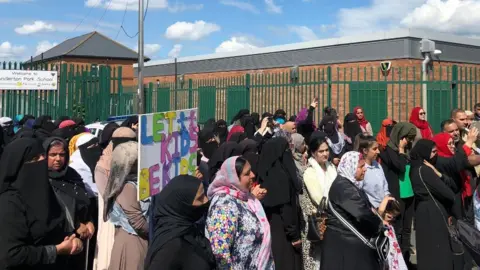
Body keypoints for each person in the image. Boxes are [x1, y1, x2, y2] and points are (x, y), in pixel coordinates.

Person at [0, 138, 83, 269]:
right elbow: (10, 255)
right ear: (18, 165)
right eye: (34, 159)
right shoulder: (9, 202)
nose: (41, 161)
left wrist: (71, 239)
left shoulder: (45, 193)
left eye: (42, 156)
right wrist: (56, 250)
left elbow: (57, 225)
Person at [321, 151, 392, 270]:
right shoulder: (343, 187)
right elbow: (361, 213)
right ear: (350, 167)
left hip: (347, 244)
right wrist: (379, 224)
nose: (364, 169)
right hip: (345, 246)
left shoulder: (348, 184)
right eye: (360, 166)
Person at [206, 156, 274, 269]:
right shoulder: (224, 205)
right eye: (247, 174)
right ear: (234, 179)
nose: (253, 175)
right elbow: (220, 251)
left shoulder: (245, 197)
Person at [43, 137, 95, 270]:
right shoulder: (41, 179)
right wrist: (75, 225)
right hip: (57, 241)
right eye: (53, 155)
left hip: (80, 239)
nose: (58, 159)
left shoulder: (71, 174)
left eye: (62, 154)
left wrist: (88, 220)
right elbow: (50, 211)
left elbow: (83, 201)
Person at [145, 175, 215, 270]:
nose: (206, 200)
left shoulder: (189, 231)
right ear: (182, 205)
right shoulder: (172, 245)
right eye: (200, 198)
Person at [409, 139, 457, 270]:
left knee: (426, 249)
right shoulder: (425, 170)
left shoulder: (414, 168)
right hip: (433, 212)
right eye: (433, 152)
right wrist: (437, 174)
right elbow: (448, 194)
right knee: (438, 251)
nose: (435, 155)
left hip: (422, 211)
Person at [94, 127, 137, 270]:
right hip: (114, 215)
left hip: (134, 215)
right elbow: (107, 192)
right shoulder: (103, 164)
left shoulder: (137, 157)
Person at [258, 137, 303, 270]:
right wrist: (294, 236)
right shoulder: (282, 178)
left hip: (270, 230)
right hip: (285, 235)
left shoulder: (264, 174)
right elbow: (286, 209)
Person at [103, 141, 149, 270]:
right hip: (133, 243)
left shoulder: (137, 182)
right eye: (134, 163)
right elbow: (139, 224)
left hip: (136, 240)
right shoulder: (127, 187)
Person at [378, 122, 416, 265]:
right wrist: (400, 150)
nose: (408, 141)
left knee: (407, 230)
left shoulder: (408, 150)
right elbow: (400, 167)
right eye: (406, 138)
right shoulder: (388, 150)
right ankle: (397, 262)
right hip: (397, 193)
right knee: (397, 229)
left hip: (409, 194)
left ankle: (406, 260)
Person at [302, 133, 337, 269]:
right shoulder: (310, 172)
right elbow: (319, 198)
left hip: (333, 220)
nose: (325, 154)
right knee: (317, 261)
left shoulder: (332, 168)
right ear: (313, 153)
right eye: (321, 151)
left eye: (326, 150)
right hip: (317, 223)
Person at [355, 134, 390, 208]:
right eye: (374, 149)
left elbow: (385, 187)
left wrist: (388, 200)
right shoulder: (360, 170)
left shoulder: (377, 165)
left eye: (378, 148)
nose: (378, 151)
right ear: (365, 151)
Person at [382, 200, 408, 270]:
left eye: (394, 217)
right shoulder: (381, 226)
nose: (392, 219)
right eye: (389, 217)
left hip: (393, 255)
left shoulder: (390, 226)